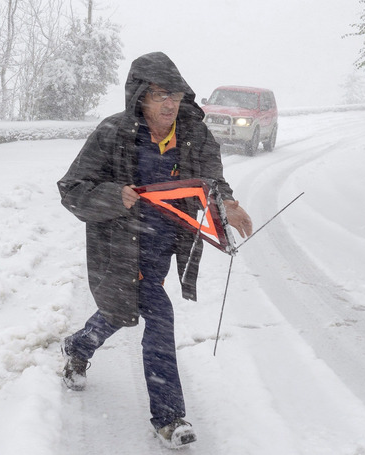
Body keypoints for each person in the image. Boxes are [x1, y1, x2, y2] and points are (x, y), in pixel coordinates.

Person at [57, 51, 253, 449]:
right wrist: (116, 196)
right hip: (120, 246)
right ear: (141, 96)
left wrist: (226, 204)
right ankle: (169, 418)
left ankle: (80, 345)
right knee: (158, 316)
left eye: (176, 95)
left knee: (121, 309)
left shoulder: (193, 133)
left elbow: (210, 179)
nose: (170, 104)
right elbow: (72, 189)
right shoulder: (114, 133)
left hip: (164, 243)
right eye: (161, 95)